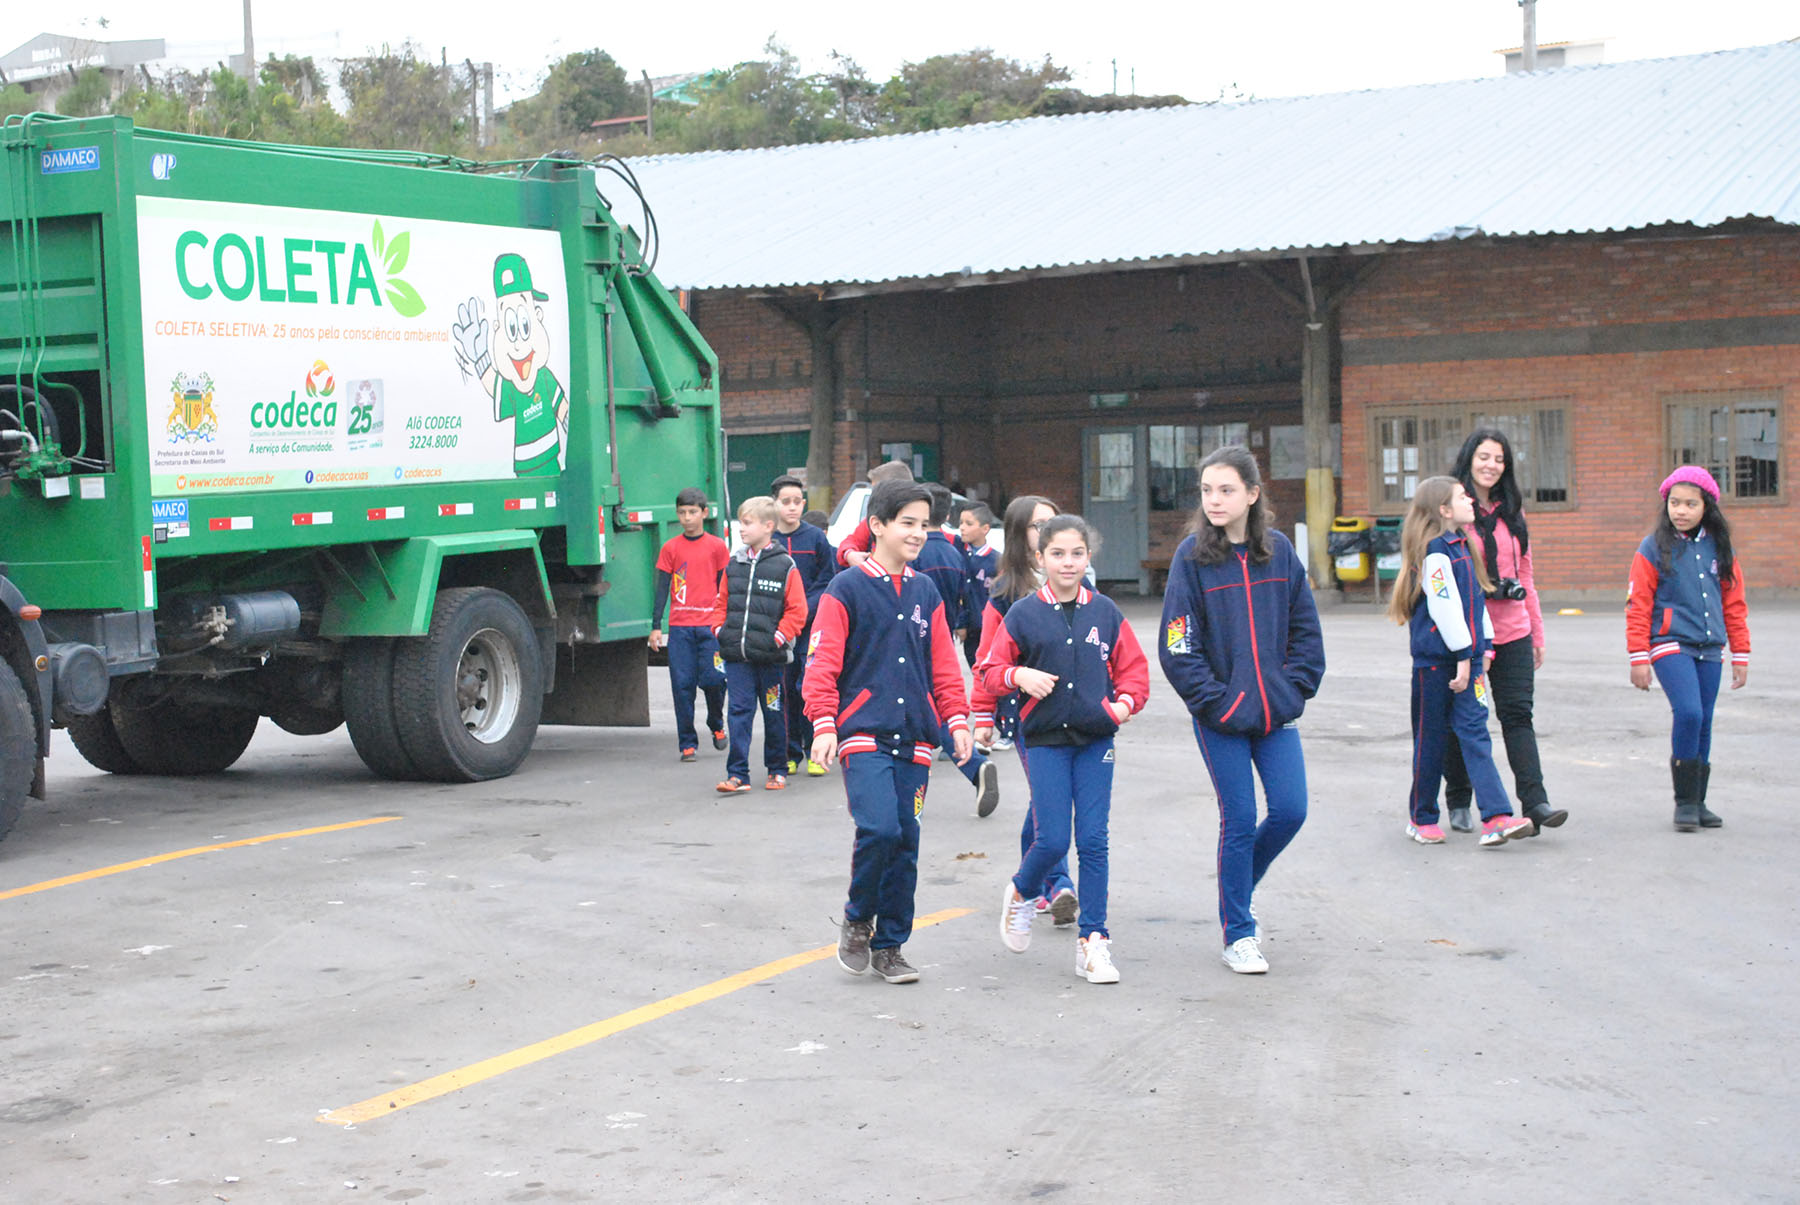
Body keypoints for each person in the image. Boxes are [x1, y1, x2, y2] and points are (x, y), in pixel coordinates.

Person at [1160, 446, 1325, 975]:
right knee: (1239, 819)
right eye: (1207, 490)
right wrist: (1217, 702)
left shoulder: (1279, 553)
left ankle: (1237, 886)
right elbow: (1177, 644)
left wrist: (1290, 691)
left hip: (1276, 714)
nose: (1214, 499)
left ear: (1253, 495)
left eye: (1226, 489)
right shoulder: (1191, 558)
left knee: (1291, 810)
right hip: (1221, 718)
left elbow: (1306, 633)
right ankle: (1239, 933)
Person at [804, 480, 974, 984]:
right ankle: (858, 917)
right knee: (880, 828)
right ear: (877, 525)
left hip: (916, 737)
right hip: (863, 732)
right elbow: (823, 661)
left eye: (925, 524)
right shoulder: (846, 589)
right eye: (908, 523)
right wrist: (823, 722)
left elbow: (944, 665)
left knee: (907, 841)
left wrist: (957, 719)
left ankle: (891, 945)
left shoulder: (926, 592)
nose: (919, 533)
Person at [981, 515, 1149, 984]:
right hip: (1046, 741)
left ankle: (1093, 943)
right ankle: (1021, 892)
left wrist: (1123, 704)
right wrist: (1019, 676)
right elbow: (991, 669)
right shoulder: (1024, 614)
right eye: (1057, 554)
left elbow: (1134, 671)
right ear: (1040, 558)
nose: (1068, 563)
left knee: (1094, 840)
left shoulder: (1106, 612)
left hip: (1096, 740)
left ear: (1088, 558)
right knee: (1053, 838)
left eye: (1077, 554)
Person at [1387, 476, 1535, 850]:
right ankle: (1421, 818)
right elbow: (1445, 608)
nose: (1471, 500)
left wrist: (1484, 650)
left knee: (1475, 733)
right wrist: (1465, 657)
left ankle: (1497, 817)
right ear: (1444, 510)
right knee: (1431, 740)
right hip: (1438, 665)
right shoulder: (1436, 553)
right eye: (1462, 496)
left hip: (1467, 659)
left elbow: (1476, 603)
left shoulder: (1463, 546)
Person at [1441, 429, 1567, 836]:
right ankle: (1459, 798)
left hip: (1512, 628)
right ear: (1469, 459)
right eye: (1484, 456)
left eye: (1499, 458)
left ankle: (1535, 802)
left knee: (1518, 715)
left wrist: (1537, 630)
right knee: (1465, 719)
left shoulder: (1513, 510)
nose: (1491, 465)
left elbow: (1524, 573)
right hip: (1470, 632)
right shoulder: (1453, 507)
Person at [971, 495, 1077, 924]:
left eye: (1054, 521)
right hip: (1030, 719)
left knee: (1047, 803)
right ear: (1020, 538)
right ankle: (1059, 885)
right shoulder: (1003, 597)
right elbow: (986, 662)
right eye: (1038, 525)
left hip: (1079, 716)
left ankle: (1029, 884)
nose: (1049, 530)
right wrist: (982, 716)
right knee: (1051, 803)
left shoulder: (1079, 584)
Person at [1626, 466, 1750, 832]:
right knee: (1690, 713)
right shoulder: (1652, 547)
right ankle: (1683, 803)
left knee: (1705, 721)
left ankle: (1699, 802)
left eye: (1690, 504)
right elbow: (1638, 604)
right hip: (1669, 643)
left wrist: (1740, 653)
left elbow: (1734, 603)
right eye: (1674, 503)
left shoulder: (1720, 547)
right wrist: (1638, 657)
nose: (1680, 511)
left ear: (1706, 506)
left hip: (1710, 647)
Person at [708, 496, 808, 794]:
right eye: (741, 522)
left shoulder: (785, 566)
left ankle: (777, 769)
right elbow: (720, 602)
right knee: (738, 713)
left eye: (748, 523)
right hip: (737, 658)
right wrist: (719, 629)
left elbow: (797, 610)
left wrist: (778, 637)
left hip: (771, 660)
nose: (742, 529)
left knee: (774, 713)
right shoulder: (734, 563)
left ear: (768, 526)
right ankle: (738, 774)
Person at [915, 484, 1000, 817]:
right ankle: (971, 763)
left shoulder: (914, 554)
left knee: (921, 708)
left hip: (913, 642)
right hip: (943, 638)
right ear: (948, 515)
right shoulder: (954, 553)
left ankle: (971, 763)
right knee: (936, 704)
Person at [649, 487, 729, 762]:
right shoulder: (671, 548)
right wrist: (656, 625)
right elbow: (661, 588)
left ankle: (716, 724)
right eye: (682, 513)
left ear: (704, 513)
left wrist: (725, 621)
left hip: (710, 627)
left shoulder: (717, 546)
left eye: (693, 512)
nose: (687, 518)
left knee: (715, 680)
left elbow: (724, 586)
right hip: (681, 627)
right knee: (682, 685)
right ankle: (687, 742)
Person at [771, 474, 836, 778]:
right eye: (786, 502)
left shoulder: (816, 539)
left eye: (798, 502)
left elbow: (827, 581)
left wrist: (804, 611)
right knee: (784, 690)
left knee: (806, 687)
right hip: (777, 629)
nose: (793, 508)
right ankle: (789, 752)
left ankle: (814, 749)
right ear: (774, 504)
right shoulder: (768, 540)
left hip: (810, 627)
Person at [836, 459, 916, 568]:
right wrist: (849, 554)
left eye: (876, 491)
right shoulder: (874, 521)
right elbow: (851, 541)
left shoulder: (926, 524)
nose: (873, 497)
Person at [958, 501, 1000, 672]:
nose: (962, 528)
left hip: (988, 628)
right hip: (968, 630)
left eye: (969, 524)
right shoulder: (957, 555)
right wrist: (960, 623)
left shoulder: (997, 561)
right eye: (960, 523)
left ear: (985, 529)